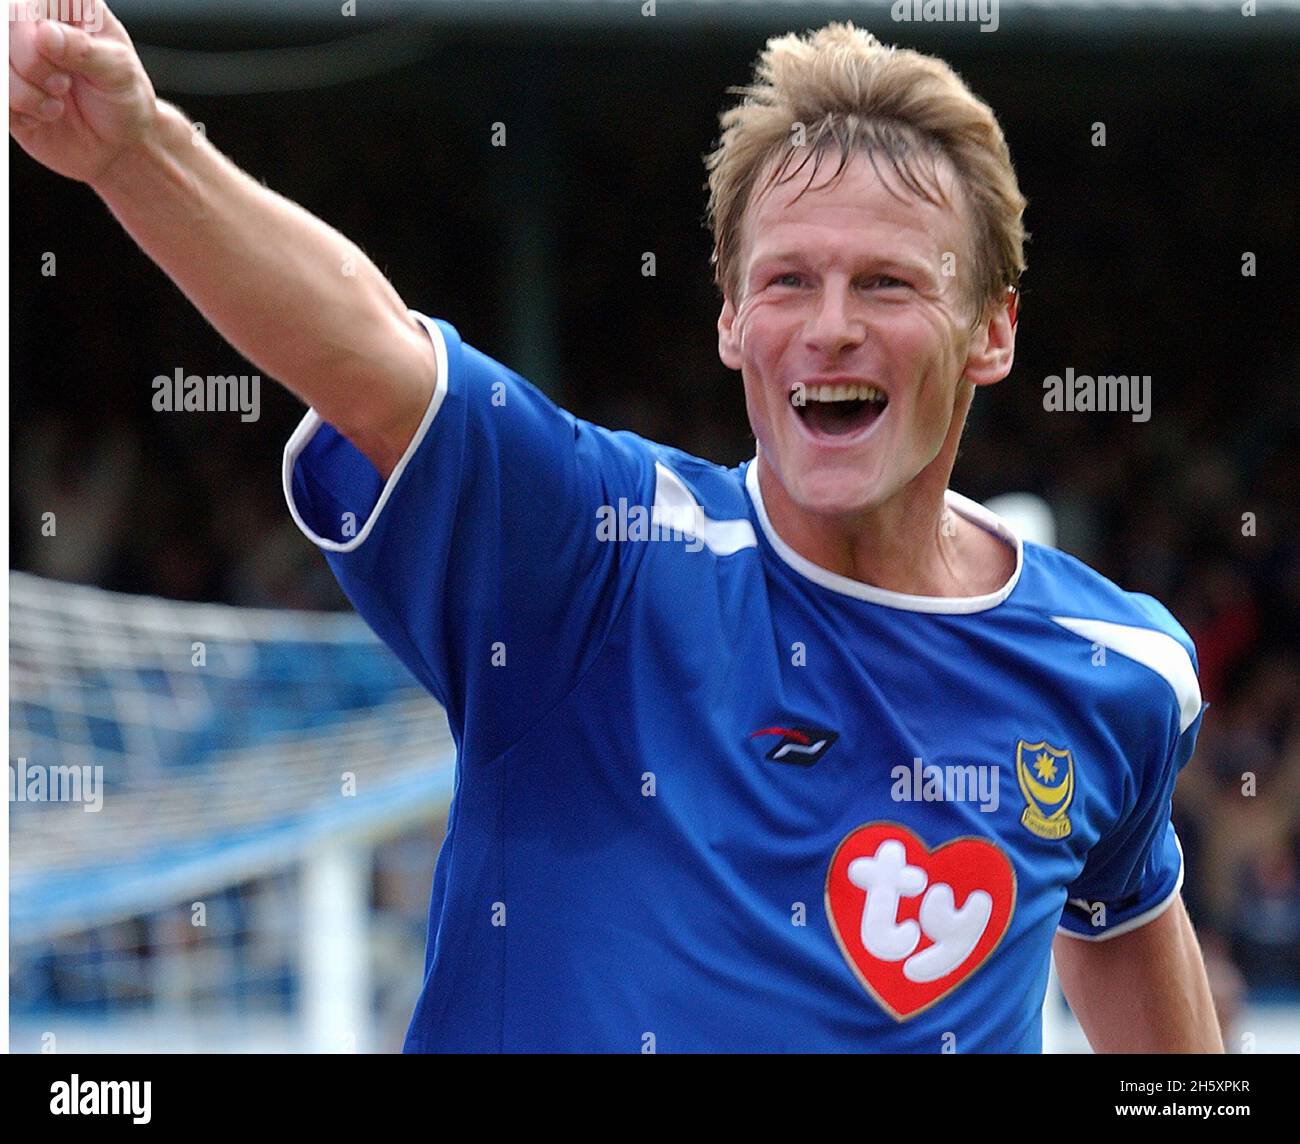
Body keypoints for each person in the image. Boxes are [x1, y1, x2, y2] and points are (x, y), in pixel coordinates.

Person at [11, 7, 1224, 1052]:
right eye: (788, 281)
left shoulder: (1111, 668)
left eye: (890, 284)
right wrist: (136, 147)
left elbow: (1125, 923)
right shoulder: (599, 550)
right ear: (732, 324)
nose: (831, 326)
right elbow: (368, 352)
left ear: (992, 332)